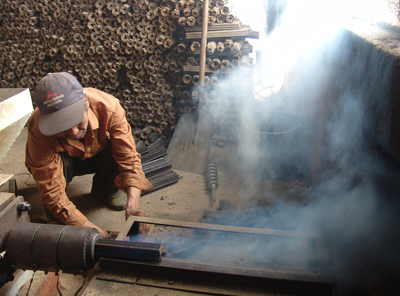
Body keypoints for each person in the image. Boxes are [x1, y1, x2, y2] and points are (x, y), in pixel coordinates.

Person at [25, 72, 153, 238]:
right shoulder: (38, 130)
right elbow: (52, 192)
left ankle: (105, 189)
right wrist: (92, 232)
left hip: (95, 152)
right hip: (63, 161)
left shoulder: (109, 107)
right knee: (58, 212)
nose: (73, 131)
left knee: (119, 149)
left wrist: (133, 205)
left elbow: (129, 158)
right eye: (62, 125)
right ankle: (60, 214)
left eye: (76, 120)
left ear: (85, 103)